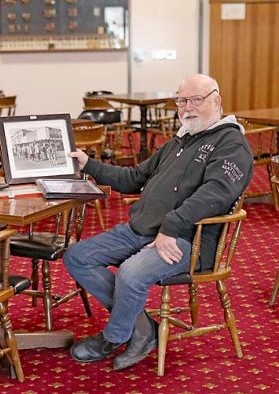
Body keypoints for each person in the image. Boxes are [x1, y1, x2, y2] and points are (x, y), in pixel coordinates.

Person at [63, 74, 254, 371]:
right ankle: (141, 329)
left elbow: (214, 195)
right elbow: (133, 178)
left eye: (196, 100)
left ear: (216, 101)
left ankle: (114, 336)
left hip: (187, 240)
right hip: (142, 230)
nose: (187, 107)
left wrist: (171, 227)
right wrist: (89, 164)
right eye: (181, 100)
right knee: (77, 256)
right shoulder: (180, 141)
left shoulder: (231, 143)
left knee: (131, 274)